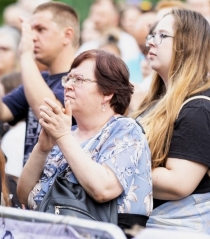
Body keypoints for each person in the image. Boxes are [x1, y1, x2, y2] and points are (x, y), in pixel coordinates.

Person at [17, 50, 152, 231]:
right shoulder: (66, 133)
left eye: (78, 80)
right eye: (68, 79)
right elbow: (24, 196)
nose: (68, 86)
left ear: (108, 92)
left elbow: (103, 190)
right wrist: (42, 148)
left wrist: (63, 137)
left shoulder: (126, 129)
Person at [133, 9, 210, 237]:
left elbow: (178, 183)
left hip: (185, 228)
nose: (150, 42)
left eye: (161, 36)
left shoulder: (200, 108)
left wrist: (119, 166)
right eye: (151, 35)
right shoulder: (158, 101)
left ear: (185, 44)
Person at [0, 1, 79, 165]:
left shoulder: (81, 79)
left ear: (67, 35)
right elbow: (3, 111)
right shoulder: (40, 78)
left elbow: (50, 114)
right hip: (32, 186)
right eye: (30, 30)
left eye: (41, 29)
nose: (32, 37)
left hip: (62, 187)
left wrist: (26, 56)